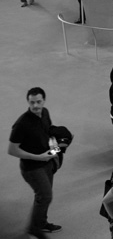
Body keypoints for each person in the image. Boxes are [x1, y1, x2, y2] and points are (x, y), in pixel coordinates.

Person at [8, 87, 63, 238]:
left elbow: (48, 133)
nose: (35, 106)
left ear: (44, 101)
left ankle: (41, 223)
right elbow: (12, 150)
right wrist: (39, 157)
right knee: (45, 196)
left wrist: (55, 147)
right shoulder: (21, 124)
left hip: (47, 162)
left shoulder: (45, 113)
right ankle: (34, 228)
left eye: (38, 102)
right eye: (32, 102)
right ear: (28, 102)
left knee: (42, 196)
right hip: (32, 168)